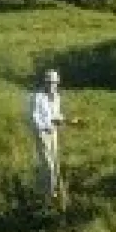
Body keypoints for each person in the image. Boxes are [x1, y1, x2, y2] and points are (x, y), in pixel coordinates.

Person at [29, 68, 69, 204]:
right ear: (44, 82)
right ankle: (47, 197)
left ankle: (52, 192)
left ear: (57, 83)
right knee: (48, 165)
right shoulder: (37, 97)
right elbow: (34, 118)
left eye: (54, 82)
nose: (52, 85)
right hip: (42, 134)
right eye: (49, 82)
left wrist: (65, 120)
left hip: (53, 133)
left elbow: (56, 115)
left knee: (55, 164)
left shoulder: (57, 97)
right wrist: (46, 126)